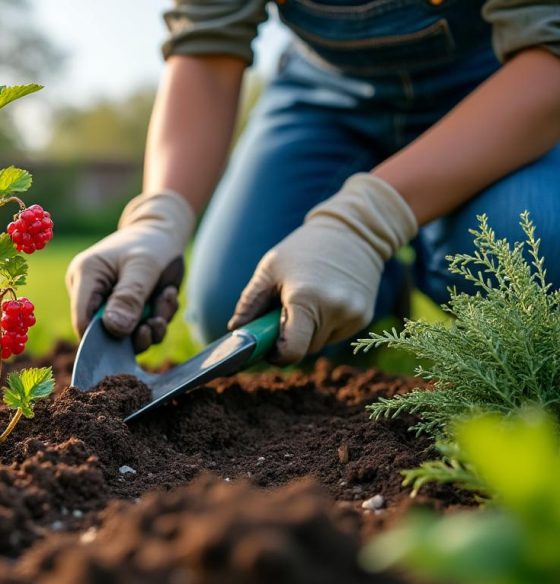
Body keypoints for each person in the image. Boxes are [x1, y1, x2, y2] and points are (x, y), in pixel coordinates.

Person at [66, 0, 560, 364]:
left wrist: (364, 224)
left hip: (504, 78)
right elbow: (207, 46)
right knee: (238, 305)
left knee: (536, 258)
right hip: (326, 93)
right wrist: (159, 216)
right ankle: (382, 293)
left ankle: (428, 246)